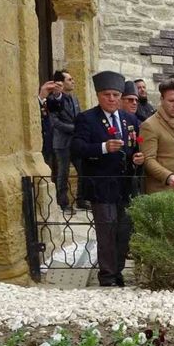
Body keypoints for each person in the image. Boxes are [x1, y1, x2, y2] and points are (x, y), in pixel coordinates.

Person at [71, 70, 144, 287]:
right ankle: (107, 274)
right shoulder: (87, 118)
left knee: (124, 229)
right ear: (99, 95)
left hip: (125, 185)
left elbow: (136, 145)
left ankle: (118, 270)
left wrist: (138, 158)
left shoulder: (130, 119)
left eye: (115, 95)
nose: (111, 99)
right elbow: (77, 147)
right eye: (106, 95)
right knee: (107, 229)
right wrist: (103, 147)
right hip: (101, 184)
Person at [49, 69, 88, 213]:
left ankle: (81, 200)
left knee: (83, 170)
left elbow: (79, 117)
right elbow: (55, 122)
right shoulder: (53, 99)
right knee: (63, 173)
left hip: (76, 142)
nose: (73, 81)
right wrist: (73, 128)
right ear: (61, 83)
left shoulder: (74, 98)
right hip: (62, 142)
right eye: (69, 79)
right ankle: (63, 203)